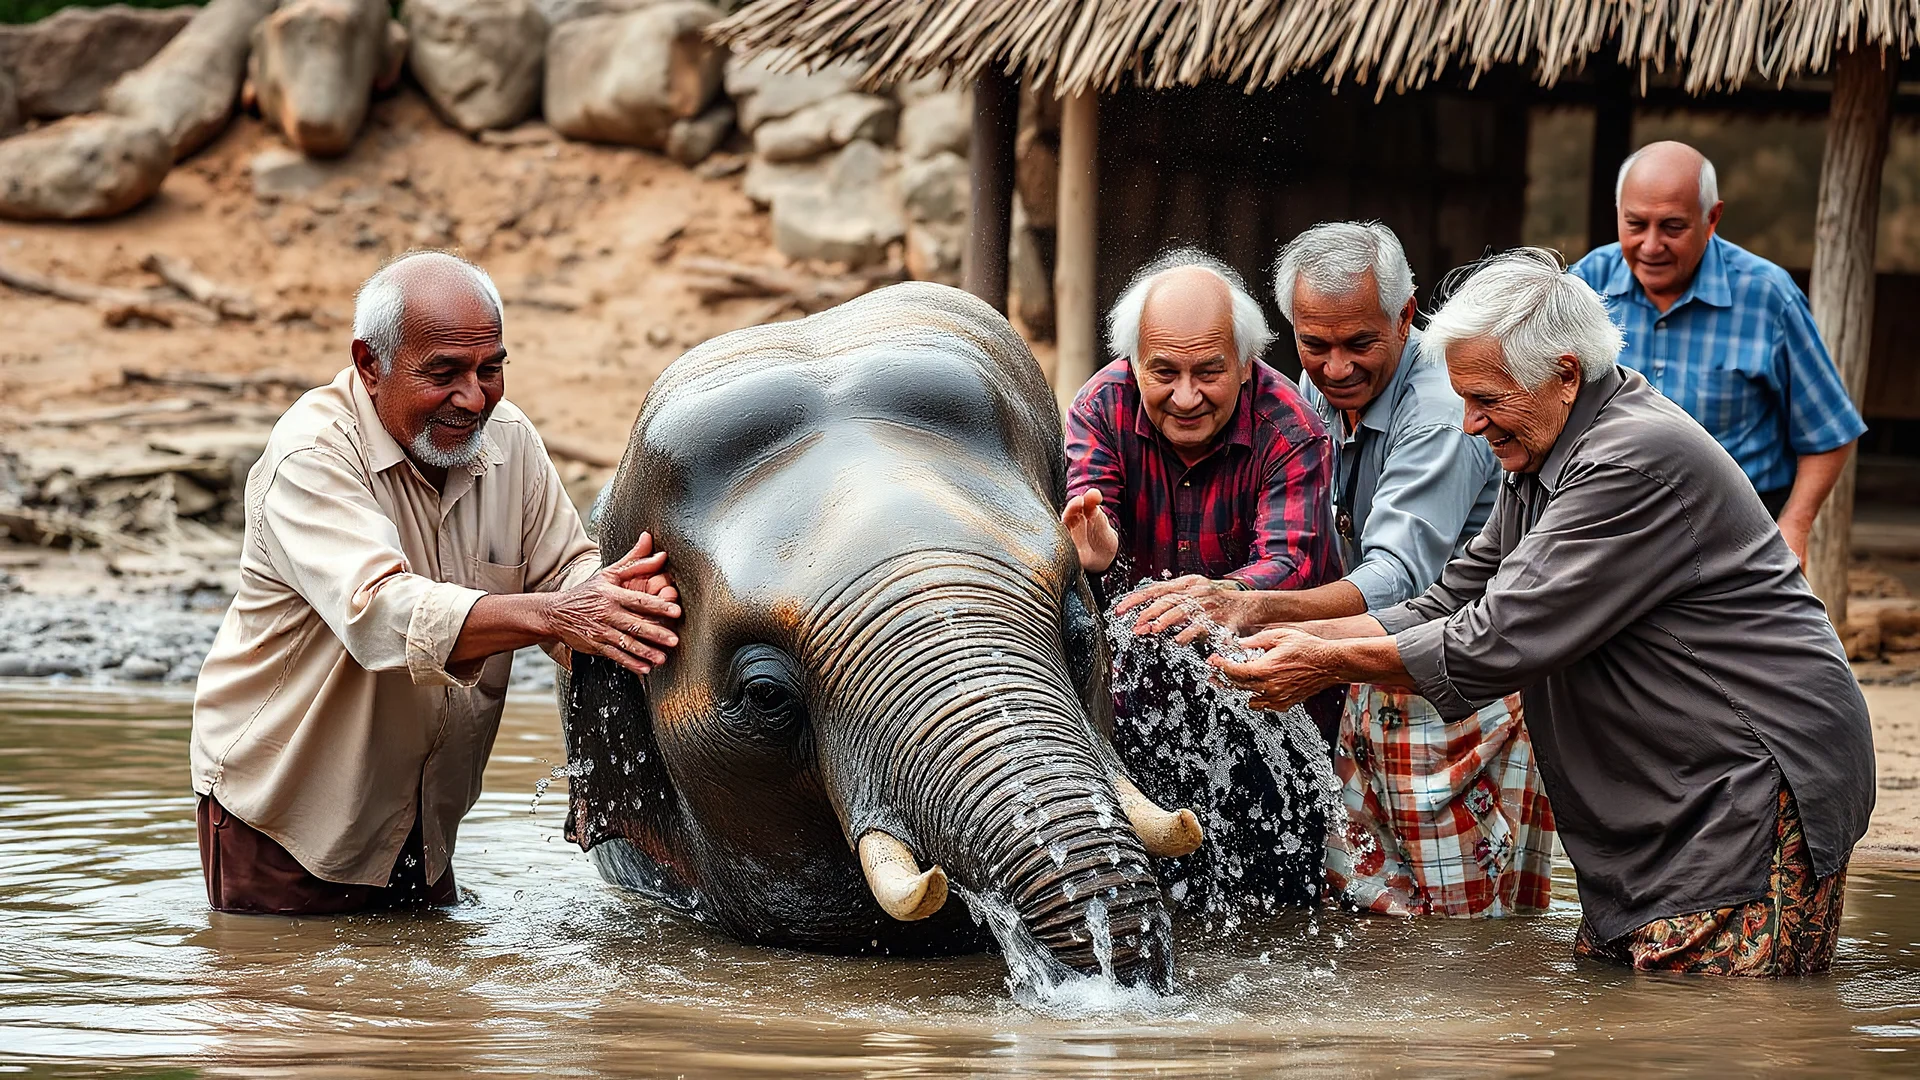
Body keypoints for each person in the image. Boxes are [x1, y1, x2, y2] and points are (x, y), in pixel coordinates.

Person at [1209, 248, 1875, 975]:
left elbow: (1493, 640)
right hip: (1671, 787)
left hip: (1745, 781)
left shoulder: (1628, 460)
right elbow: (1449, 597)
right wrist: (1276, 628)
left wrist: (1325, 663)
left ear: (1564, 373)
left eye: (1487, 400)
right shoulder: (1542, 453)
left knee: (1711, 1022)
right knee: (1625, 1012)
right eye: (1463, 398)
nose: (1469, 425)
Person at [190, 251, 684, 916]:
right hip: (286, 825)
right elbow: (378, 612)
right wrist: (556, 615)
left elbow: (569, 572)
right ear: (370, 365)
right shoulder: (312, 455)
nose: (474, 397)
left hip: (424, 828)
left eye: (491, 368)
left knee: (422, 1008)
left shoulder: (507, 440)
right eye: (444, 373)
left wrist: (627, 599)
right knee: (298, 1011)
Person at [1126, 221, 1552, 918]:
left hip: (1456, 690)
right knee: (1364, 905)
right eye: (1314, 345)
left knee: (1464, 927)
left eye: (1359, 343)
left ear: (1406, 315)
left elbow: (1401, 576)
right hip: (1361, 670)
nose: (1335, 368)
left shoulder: (1443, 407)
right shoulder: (1312, 391)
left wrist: (1248, 604)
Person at [1062, 247, 1339, 913]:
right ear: (1134, 364)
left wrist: (1231, 597)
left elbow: (1291, 560)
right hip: (1134, 714)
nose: (1186, 396)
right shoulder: (1100, 405)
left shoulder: (1291, 426)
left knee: (1282, 909)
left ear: (1246, 366)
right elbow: (1094, 526)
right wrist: (1097, 551)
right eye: (1165, 372)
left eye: (1209, 372)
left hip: (1269, 704)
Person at [1570, 141, 1866, 563]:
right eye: (1636, 224)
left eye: (1673, 227)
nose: (1651, 246)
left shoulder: (1767, 297)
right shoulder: (1582, 288)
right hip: (1611, 528)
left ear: (1712, 219)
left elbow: (1829, 433)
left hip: (1738, 533)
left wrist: (1795, 525)